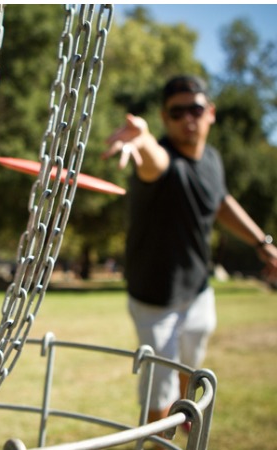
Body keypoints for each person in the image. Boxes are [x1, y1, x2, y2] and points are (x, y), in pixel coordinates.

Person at [102, 75, 277, 437]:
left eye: (195, 109)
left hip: (198, 290)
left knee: (190, 372)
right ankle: (158, 441)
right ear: (165, 119)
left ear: (210, 113)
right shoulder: (163, 160)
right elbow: (154, 160)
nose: (187, 119)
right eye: (176, 112)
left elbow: (220, 201)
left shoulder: (212, 160)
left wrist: (262, 243)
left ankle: (184, 435)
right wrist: (143, 138)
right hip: (155, 298)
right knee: (159, 390)